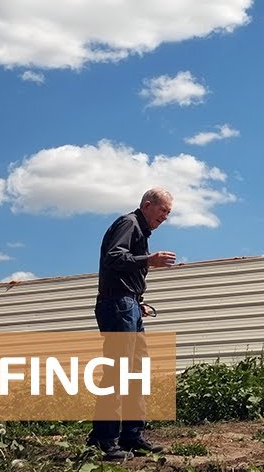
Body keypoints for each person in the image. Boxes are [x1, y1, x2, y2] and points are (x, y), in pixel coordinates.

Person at [85, 188, 178, 461]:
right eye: (163, 211)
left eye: (168, 213)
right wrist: (148, 260)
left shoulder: (140, 230)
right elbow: (113, 257)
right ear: (147, 205)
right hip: (118, 305)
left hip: (129, 305)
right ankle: (104, 439)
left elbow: (124, 270)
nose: (165, 217)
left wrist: (138, 302)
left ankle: (131, 436)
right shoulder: (129, 223)